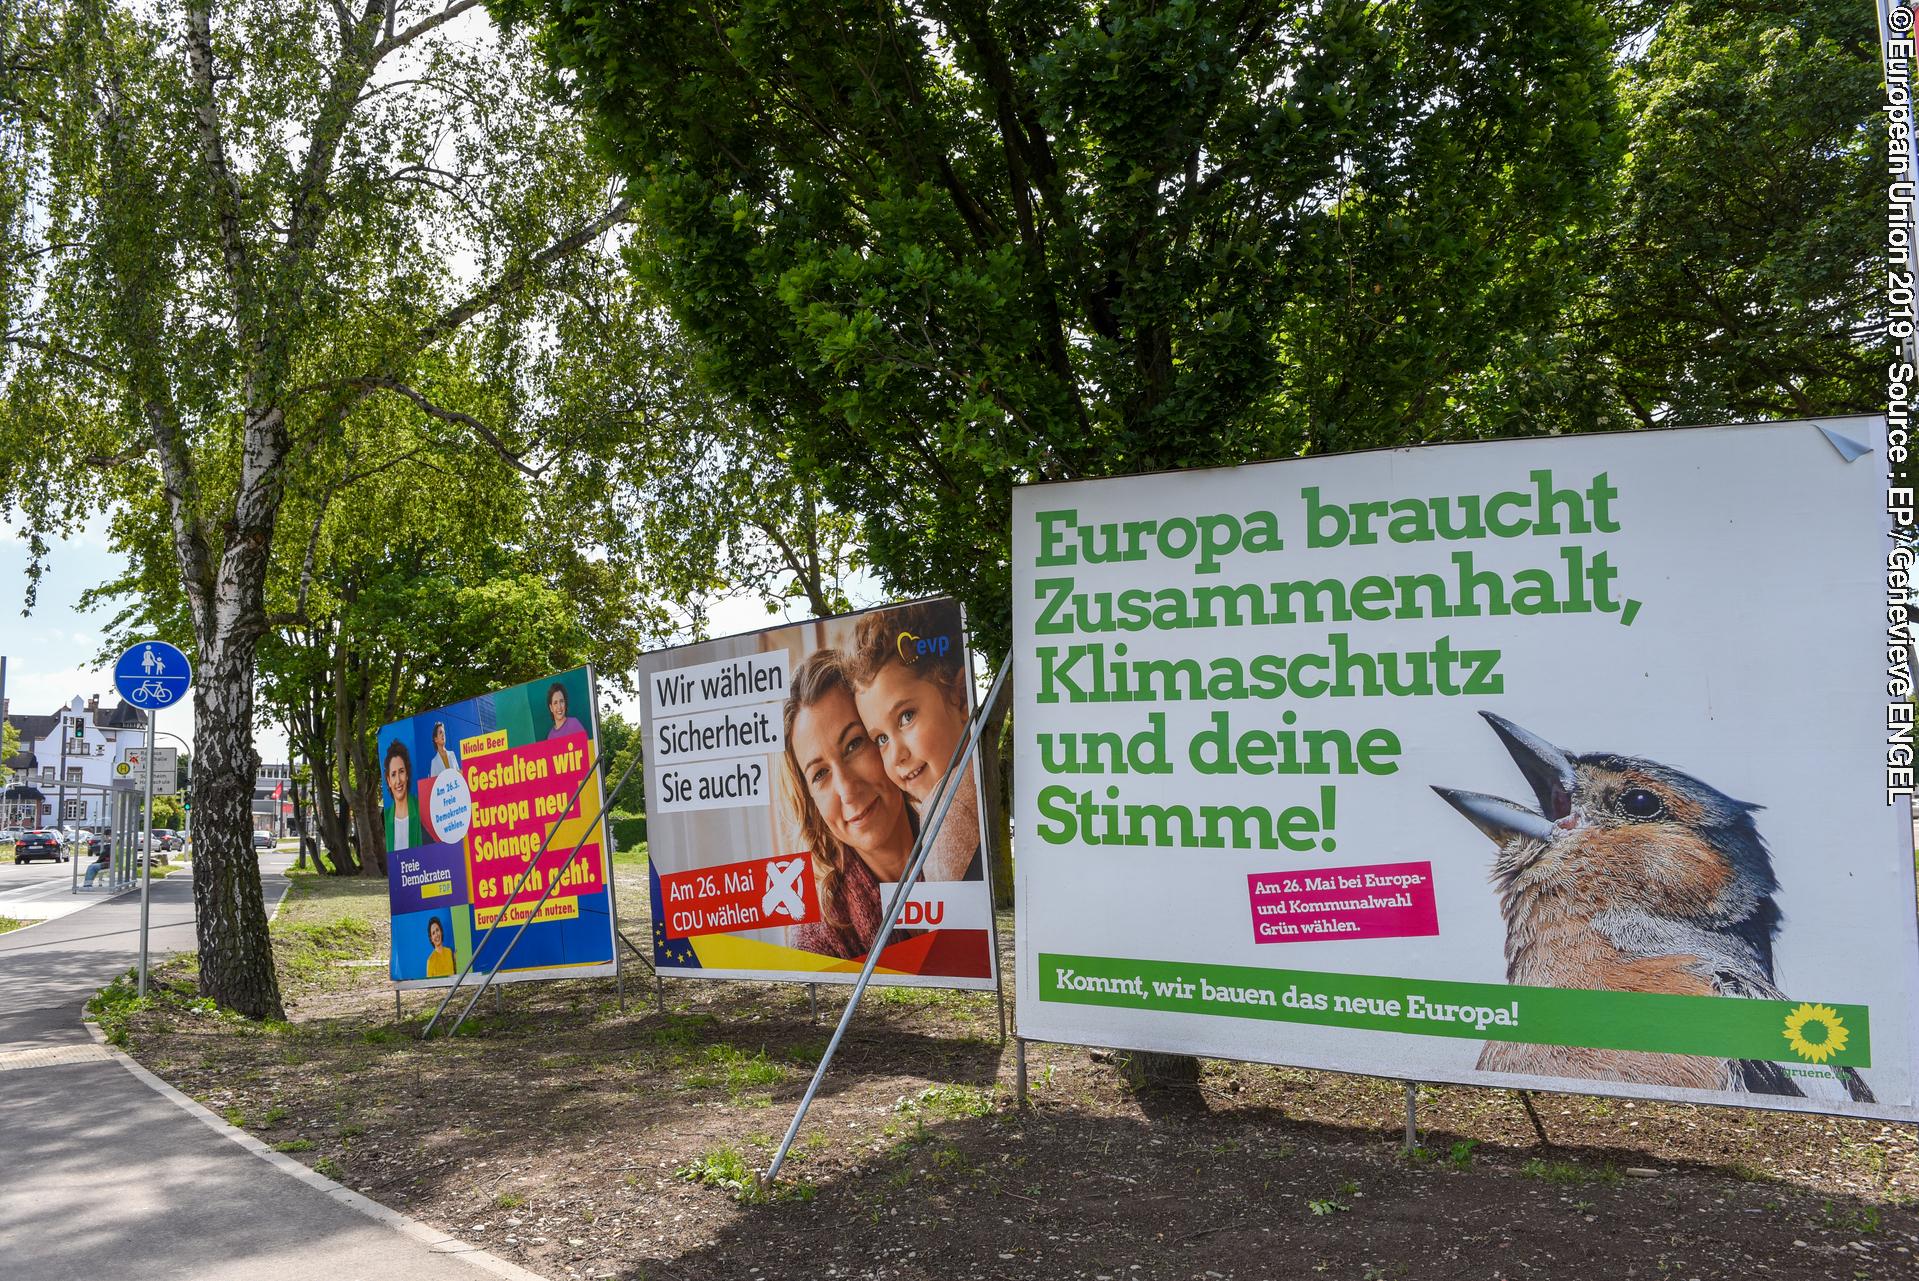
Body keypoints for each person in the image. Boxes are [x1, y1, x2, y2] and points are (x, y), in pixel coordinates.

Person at [783, 651, 921, 960]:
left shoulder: (959, 842)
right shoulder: (816, 938)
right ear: (810, 803)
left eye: (854, 744)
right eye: (820, 774)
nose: (846, 788)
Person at [847, 603, 982, 883]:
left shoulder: (950, 816)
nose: (897, 755)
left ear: (960, 698)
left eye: (906, 717)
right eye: (881, 739)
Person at [383, 739, 425, 852]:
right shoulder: (385, 818)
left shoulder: (421, 808)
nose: (398, 780)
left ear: (407, 774)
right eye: (393, 774)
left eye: (401, 771)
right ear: (388, 781)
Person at [424, 914, 455, 978]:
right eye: (433, 933)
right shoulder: (430, 960)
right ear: (431, 938)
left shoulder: (449, 952)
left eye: (437, 930)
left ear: (441, 931)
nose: (436, 935)